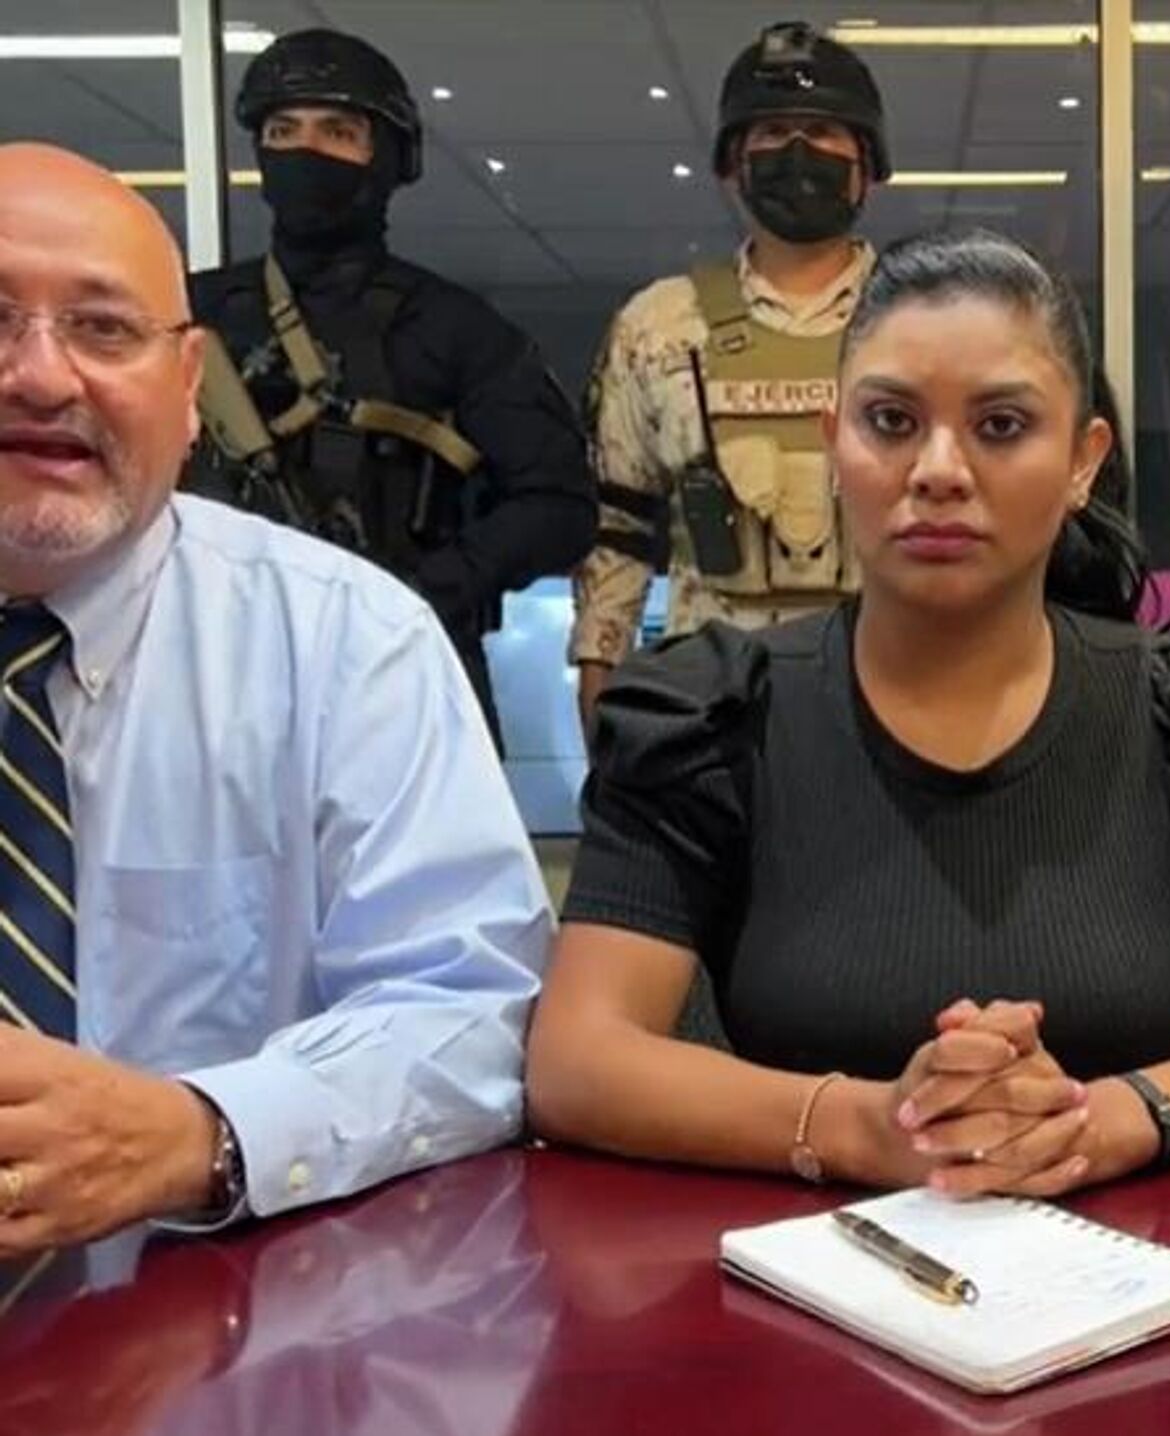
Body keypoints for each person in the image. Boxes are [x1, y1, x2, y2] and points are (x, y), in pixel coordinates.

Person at [528, 229, 1170, 1196]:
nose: (938, 468)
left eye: (1002, 425)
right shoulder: (709, 716)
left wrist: (1098, 1123)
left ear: (1083, 461)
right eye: (891, 422)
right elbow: (576, 1058)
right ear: (833, 442)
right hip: (793, 1268)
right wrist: (866, 1128)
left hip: (1139, 1263)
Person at [0, 143, 549, 1254]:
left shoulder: (349, 643)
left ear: (188, 387)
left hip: (212, 1312)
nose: (42, 376)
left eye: (104, 328)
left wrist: (205, 1132)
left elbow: (470, 1009)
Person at [187, 28, 596, 740]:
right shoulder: (190, 314)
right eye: (283, 130)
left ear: (389, 158)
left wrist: (421, 591)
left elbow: (559, 506)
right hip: (216, 674)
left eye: (337, 132)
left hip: (406, 674)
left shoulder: (458, 329)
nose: (305, 151)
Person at [570, 20, 889, 739]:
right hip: (711, 704)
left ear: (867, 164)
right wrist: (600, 679)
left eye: (823, 131)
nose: (798, 152)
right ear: (732, 165)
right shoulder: (658, 326)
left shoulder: (923, 314)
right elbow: (619, 527)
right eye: (772, 132)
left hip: (893, 693)